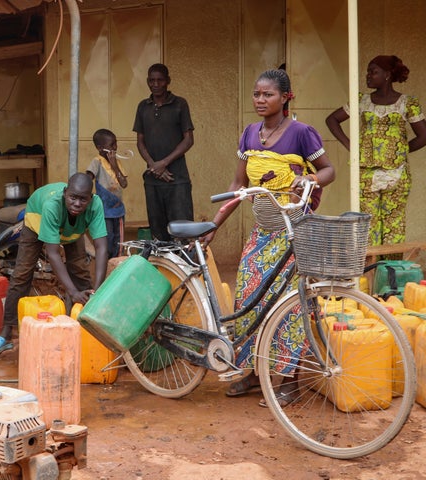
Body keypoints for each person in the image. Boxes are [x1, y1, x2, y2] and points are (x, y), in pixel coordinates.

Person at [204, 69, 335, 407]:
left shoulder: (302, 134)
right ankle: (251, 372)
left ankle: (289, 380)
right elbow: (238, 186)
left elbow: (328, 170)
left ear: (286, 97)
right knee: (248, 299)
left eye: (268, 95)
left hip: (294, 231)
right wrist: (215, 224)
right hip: (262, 231)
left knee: (291, 305)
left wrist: (308, 180)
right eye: (256, 94)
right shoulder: (249, 134)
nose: (260, 100)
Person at [0, 173, 109, 354]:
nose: (77, 203)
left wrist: (97, 291)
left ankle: (86, 329)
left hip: (72, 231)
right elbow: (53, 253)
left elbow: (102, 248)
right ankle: (6, 332)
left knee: (80, 272)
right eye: (73, 197)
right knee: (22, 274)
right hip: (36, 222)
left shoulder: (95, 205)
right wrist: (72, 292)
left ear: (91, 198)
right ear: (65, 193)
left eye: (83, 199)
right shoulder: (52, 206)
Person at [326, 55, 426, 246]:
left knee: (394, 227)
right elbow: (332, 120)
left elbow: (424, 135)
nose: (368, 76)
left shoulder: (407, 103)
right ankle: (369, 275)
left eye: (373, 72)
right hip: (366, 173)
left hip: (397, 175)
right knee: (367, 225)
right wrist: (350, 145)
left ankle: (389, 274)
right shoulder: (361, 100)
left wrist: (401, 151)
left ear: (387, 75)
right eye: (368, 72)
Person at [133, 63, 195, 240]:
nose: (155, 84)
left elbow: (189, 140)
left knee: (182, 231)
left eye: (160, 80)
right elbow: (140, 142)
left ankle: (183, 267)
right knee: (158, 233)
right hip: (153, 180)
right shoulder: (143, 107)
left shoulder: (180, 104)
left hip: (177, 180)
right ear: (147, 82)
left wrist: (163, 163)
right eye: (151, 80)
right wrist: (154, 167)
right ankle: (162, 268)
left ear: (168, 81)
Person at [86, 128, 128, 258]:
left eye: (116, 143)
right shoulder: (97, 162)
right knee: (106, 240)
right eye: (111, 145)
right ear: (100, 148)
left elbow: (124, 184)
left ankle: (115, 264)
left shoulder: (118, 163)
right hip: (103, 211)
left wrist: (115, 166)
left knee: (118, 241)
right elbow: (87, 178)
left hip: (118, 210)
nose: (115, 147)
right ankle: (105, 262)